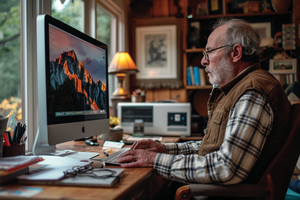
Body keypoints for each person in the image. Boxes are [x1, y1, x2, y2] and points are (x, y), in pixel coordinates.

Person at [116, 18, 291, 185]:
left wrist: (154, 160)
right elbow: (214, 145)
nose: (203, 61)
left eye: (209, 52)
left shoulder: (252, 92)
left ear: (236, 53)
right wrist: (164, 149)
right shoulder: (237, 89)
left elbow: (226, 168)